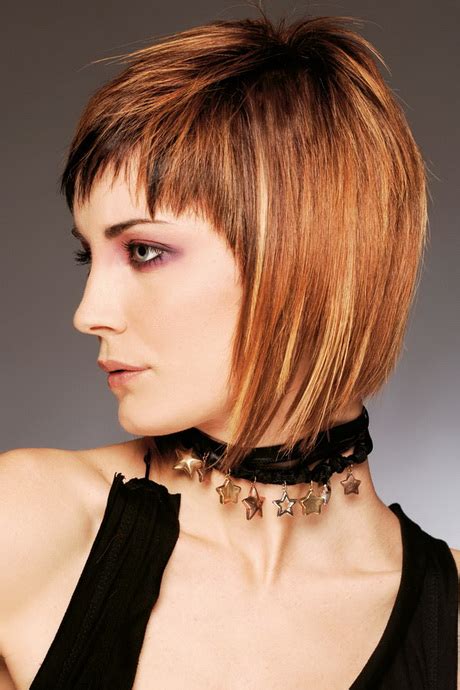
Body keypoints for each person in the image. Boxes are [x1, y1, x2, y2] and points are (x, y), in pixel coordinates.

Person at [0, 9, 458, 690]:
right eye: (88, 256)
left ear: (305, 254)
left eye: (144, 250)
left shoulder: (451, 622)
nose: (88, 313)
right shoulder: (24, 524)